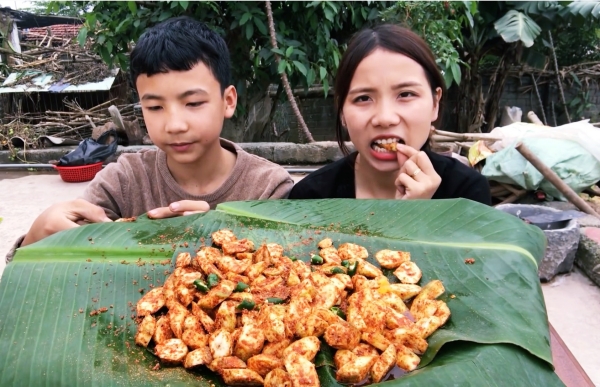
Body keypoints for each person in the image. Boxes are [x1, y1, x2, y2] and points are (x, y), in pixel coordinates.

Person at [8, 16, 293, 259]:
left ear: (228, 101)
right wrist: (35, 237)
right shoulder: (122, 182)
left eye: (193, 103)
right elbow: (42, 277)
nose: (174, 124)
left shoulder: (267, 188)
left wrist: (216, 240)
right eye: (155, 107)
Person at [288, 24, 491, 205]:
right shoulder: (310, 198)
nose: (385, 118)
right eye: (363, 98)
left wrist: (422, 214)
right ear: (341, 110)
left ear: (435, 103)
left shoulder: (467, 194)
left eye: (405, 94)